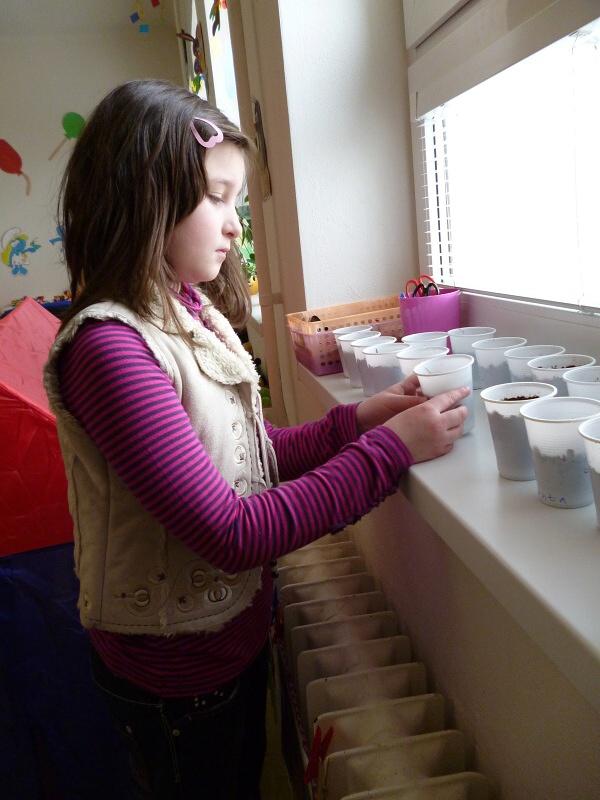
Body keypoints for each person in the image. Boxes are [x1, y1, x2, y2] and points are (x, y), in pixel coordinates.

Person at [44, 80, 469, 799]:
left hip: (232, 642)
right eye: (217, 197)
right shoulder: (111, 350)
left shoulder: (186, 310)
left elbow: (249, 452)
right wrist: (391, 449)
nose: (235, 226)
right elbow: (231, 530)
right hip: (174, 684)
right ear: (145, 197)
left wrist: (358, 420)